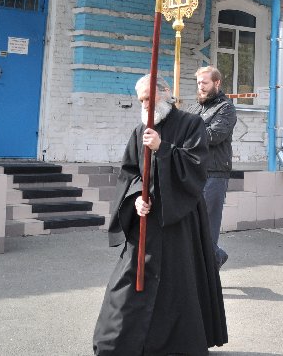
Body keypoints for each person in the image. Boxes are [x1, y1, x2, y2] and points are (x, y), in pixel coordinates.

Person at [93, 75, 227, 355]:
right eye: (141, 100)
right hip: (147, 221)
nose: (145, 104)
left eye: (149, 97)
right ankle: (117, 343)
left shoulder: (191, 124)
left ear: (165, 92)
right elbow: (130, 173)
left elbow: (196, 168)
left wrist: (162, 148)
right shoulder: (139, 131)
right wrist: (135, 200)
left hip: (181, 220)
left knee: (178, 283)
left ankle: (177, 345)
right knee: (128, 280)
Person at [183, 66, 238, 270]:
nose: (201, 87)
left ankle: (209, 267)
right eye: (198, 83)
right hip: (193, 172)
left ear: (216, 83)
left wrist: (188, 133)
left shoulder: (226, 108)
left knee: (207, 225)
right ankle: (215, 257)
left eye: (204, 83)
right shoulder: (195, 108)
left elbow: (214, 136)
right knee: (192, 224)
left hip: (214, 174)